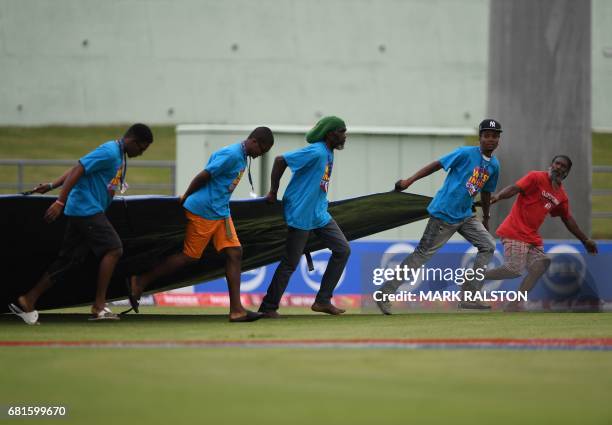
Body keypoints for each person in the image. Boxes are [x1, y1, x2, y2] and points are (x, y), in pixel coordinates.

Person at [9, 123, 154, 324]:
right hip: (86, 208)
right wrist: (60, 200)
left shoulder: (118, 155)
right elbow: (79, 168)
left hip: (85, 209)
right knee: (114, 249)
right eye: (142, 148)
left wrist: (52, 185)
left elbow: (81, 167)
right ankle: (99, 306)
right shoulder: (111, 152)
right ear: (132, 141)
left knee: (68, 260)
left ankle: (27, 300)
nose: (141, 153)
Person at [129, 127, 274, 322]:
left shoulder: (240, 156)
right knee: (189, 256)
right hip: (204, 211)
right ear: (255, 141)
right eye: (262, 150)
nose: (260, 155)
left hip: (221, 212)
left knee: (235, 252)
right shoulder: (232, 155)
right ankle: (140, 280)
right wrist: (186, 195)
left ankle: (237, 310)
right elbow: (204, 175)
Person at [376, 119, 503, 314]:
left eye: (495, 136)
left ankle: (469, 296)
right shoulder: (464, 153)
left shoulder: (494, 164)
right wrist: (409, 181)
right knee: (422, 255)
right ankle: (385, 293)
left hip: (466, 215)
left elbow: (486, 192)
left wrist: (486, 217)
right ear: (480, 138)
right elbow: (437, 165)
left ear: (498, 140)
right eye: (487, 135)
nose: (491, 139)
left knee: (488, 245)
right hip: (444, 213)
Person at [258, 116, 351, 318]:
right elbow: (280, 160)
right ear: (330, 134)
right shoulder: (317, 151)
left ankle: (323, 301)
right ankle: (268, 307)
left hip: (318, 213)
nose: (345, 135)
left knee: (343, 249)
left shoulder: (328, 153)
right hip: (301, 213)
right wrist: (273, 191)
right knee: (290, 262)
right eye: (342, 131)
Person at [485, 155, 598, 311]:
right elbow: (515, 188)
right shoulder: (536, 177)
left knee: (541, 264)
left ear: (567, 172)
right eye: (557, 163)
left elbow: (568, 219)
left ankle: (515, 304)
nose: (559, 167)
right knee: (514, 270)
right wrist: (498, 196)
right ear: (551, 165)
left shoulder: (561, 196)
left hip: (532, 237)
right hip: (514, 231)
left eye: (563, 166)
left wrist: (585, 241)